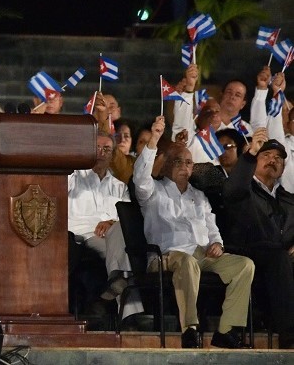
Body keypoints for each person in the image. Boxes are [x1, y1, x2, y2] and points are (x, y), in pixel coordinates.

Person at [133, 115, 254, 349]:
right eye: (178, 161)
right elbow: (140, 177)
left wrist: (217, 244)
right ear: (166, 164)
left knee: (244, 265)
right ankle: (190, 329)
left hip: (202, 255)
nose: (185, 167)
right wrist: (155, 139)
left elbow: (212, 227)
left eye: (189, 163)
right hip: (165, 256)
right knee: (186, 261)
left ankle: (227, 331)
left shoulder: (198, 196)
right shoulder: (152, 192)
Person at [223, 129, 294, 348]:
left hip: (280, 259)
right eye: (266, 155)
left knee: (282, 258)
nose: (273, 160)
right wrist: (249, 154)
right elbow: (232, 189)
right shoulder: (244, 190)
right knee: (278, 256)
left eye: (278, 158)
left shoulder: (289, 199)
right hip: (248, 252)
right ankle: (290, 338)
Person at [68, 132, 142, 319]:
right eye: (97, 148)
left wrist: (111, 222)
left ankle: (116, 283)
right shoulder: (74, 178)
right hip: (81, 236)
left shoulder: (119, 186)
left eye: (106, 149)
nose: (101, 152)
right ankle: (128, 310)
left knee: (120, 228)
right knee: (126, 253)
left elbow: (127, 217)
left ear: (112, 154)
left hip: (112, 236)